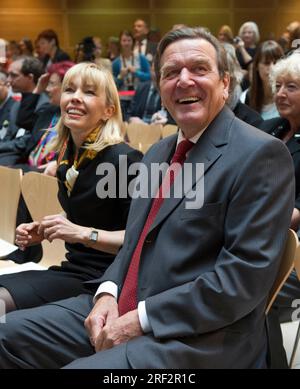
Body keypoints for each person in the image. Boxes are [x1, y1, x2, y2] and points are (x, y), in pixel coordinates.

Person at [0, 27, 295, 369]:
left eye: (199, 69)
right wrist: (108, 292)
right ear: (160, 87)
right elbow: (134, 244)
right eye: (170, 73)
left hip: (201, 337)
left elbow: (240, 281)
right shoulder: (157, 153)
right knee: (6, 334)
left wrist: (141, 317)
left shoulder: (260, 154)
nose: (183, 81)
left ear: (225, 83)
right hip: (126, 304)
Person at [0, 62, 142, 314]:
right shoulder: (68, 158)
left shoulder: (123, 160)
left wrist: (80, 233)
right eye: (70, 90)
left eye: (88, 92)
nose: (75, 98)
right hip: (73, 268)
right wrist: (46, 229)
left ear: (108, 110)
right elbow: (94, 213)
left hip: (106, 280)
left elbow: (138, 239)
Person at [261, 52, 300, 325]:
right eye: (277, 86)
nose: (280, 94)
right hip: (260, 237)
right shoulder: (271, 128)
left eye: (291, 87)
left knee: (248, 288)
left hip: (289, 248)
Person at [241, 40, 283, 120]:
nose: (272, 68)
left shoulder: (289, 97)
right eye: (266, 63)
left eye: (276, 62)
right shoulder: (245, 97)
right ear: (256, 66)